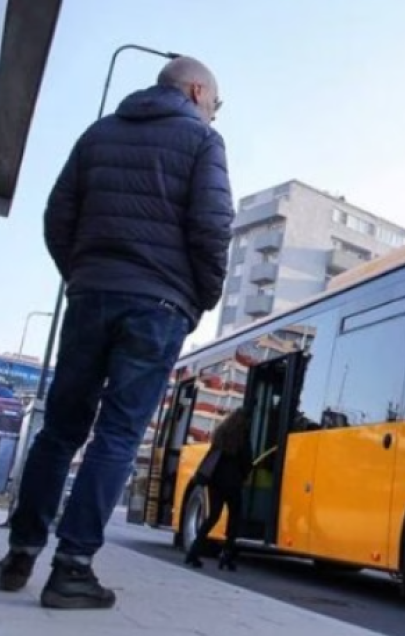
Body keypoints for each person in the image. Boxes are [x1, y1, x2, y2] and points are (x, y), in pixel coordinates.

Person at [0, 56, 234, 610]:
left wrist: (84, 275)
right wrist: (197, 297)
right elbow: (213, 226)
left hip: (90, 296)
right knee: (118, 435)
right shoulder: (202, 142)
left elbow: (58, 216)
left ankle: (19, 557)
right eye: (217, 105)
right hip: (158, 304)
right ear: (198, 91)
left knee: (59, 431)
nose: (215, 114)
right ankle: (72, 569)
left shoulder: (98, 133)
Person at [184, 407, 253, 571]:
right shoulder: (243, 436)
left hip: (214, 481)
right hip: (233, 483)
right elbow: (246, 461)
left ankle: (193, 552)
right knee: (234, 517)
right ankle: (226, 555)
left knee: (212, 516)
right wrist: (244, 475)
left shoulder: (221, 433)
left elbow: (212, 455)